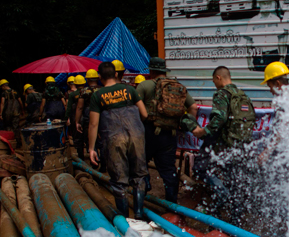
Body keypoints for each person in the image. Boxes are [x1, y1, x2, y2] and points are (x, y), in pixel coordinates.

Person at [185, 66, 256, 215]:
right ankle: (235, 224)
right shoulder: (242, 95)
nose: (214, 84)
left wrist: (203, 132)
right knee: (233, 182)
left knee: (200, 168)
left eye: (213, 81)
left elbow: (220, 118)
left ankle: (221, 199)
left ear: (218, 77)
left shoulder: (221, 94)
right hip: (239, 144)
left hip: (223, 145)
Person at [88, 61, 149, 220]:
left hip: (114, 138)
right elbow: (144, 114)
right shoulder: (130, 90)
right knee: (139, 175)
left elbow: (93, 124)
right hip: (136, 135)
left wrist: (91, 148)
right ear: (116, 74)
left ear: (100, 77)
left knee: (119, 179)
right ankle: (138, 214)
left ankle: (124, 220)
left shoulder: (98, 95)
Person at [137, 57, 197, 203]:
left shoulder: (144, 86)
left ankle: (145, 189)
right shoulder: (177, 86)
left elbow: (136, 110)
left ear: (151, 70)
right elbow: (193, 107)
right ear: (164, 70)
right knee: (169, 170)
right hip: (170, 134)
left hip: (148, 132)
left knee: (140, 164)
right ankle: (172, 206)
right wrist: (184, 125)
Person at [245, 0, 284, 71]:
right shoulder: (253, 21)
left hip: (273, 56)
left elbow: (281, 40)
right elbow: (248, 42)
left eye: (269, 3)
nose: (266, 6)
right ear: (259, 4)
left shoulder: (276, 20)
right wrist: (249, 60)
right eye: (264, 3)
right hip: (259, 57)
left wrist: (282, 57)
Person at [75, 70, 102, 160]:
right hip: (102, 115)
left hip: (88, 116)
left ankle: (95, 158)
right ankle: (104, 163)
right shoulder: (103, 89)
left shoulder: (84, 91)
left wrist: (77, 121)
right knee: (102, 139)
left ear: (87, 80)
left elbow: (79, 107)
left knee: (90, 137)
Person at [0, 78, 25, 146]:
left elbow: (2, 103)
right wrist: (22, 110)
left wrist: (0, 113)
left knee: (8, 127)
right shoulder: (15, 92)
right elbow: (20, 102)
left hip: (7, 113)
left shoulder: (4, 93)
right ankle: (18, 142)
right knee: (16, 127)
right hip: (16, 112)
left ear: (3, 86)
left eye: (1, 87)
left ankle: (9, 142)